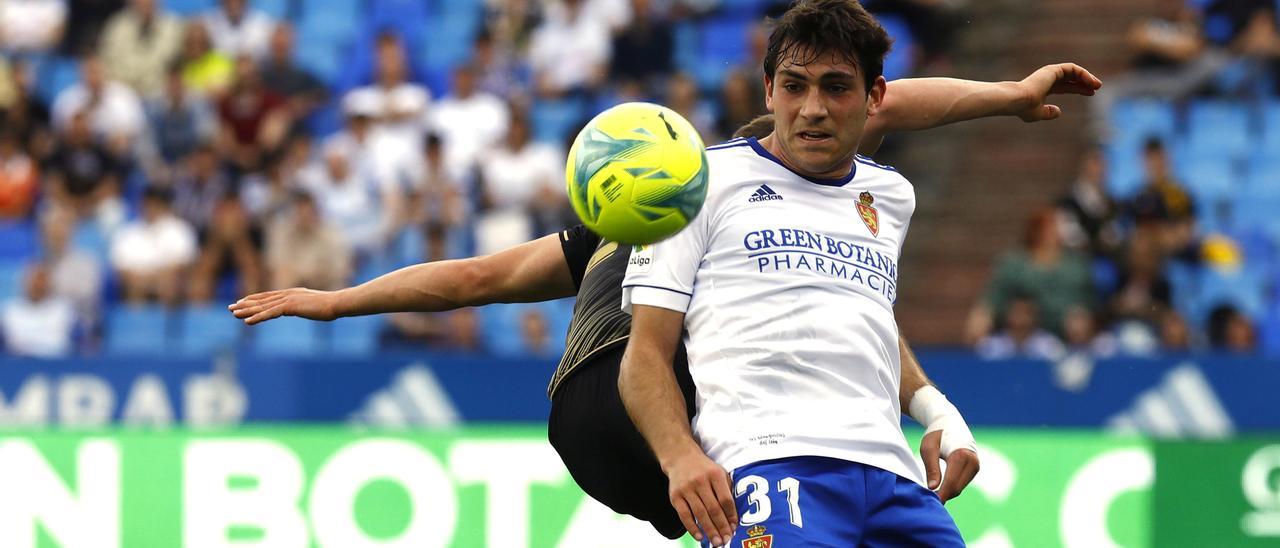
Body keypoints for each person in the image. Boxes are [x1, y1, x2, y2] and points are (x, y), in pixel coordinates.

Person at [230, 59, 1101, 540]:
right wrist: (1006, 99)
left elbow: (472, 280)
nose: (818, 118)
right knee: (809, 320)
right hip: (643, 393)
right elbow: (889, 105)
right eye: (799, 96)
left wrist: (336, 301)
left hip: (584, 418)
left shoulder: (615, 225)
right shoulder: (734, 189)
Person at [617, 2, 1096, 545]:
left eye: (837, 88)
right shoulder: (700, 184)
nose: (813, 108)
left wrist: (935, 409)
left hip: (894, 480)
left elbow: (867, 322)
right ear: (769, 89)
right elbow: (645, 355)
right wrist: (679, 455)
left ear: (874, 98)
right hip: (769, 466)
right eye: (794, 86)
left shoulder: (889, 195)